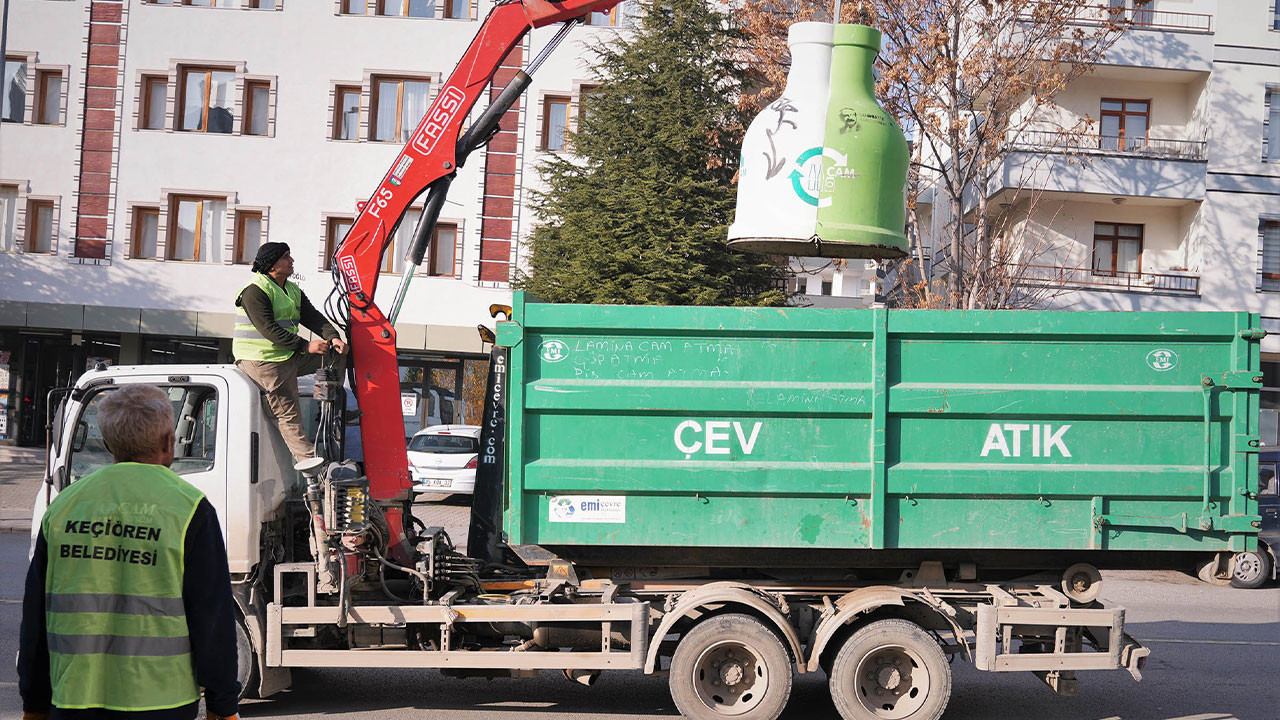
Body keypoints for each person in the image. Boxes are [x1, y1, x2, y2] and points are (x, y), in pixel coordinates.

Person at [18, 384, 241, 720]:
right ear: (168, 442)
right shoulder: (190, 509)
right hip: (163, 701)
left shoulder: (64, 506)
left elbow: (37, 615)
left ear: (108, 444)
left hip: (74, 698)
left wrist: (34, 703)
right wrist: (222, 706)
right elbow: (212, 619)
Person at [233, 241, 347, 471]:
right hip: (262, 360)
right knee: (288, 414)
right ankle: (314, 470)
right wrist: (306, 346)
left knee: (339, 354)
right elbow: (269, 330)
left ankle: (332, 405)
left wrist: (334, 337)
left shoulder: (291, 289)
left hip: (287, 355)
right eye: (286, 257)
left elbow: (313, 317)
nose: (291, 260)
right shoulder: (255, 291)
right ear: (272, 264)